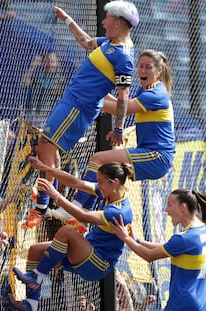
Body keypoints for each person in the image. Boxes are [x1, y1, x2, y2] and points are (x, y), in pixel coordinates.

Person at [25, 1, 139, 228]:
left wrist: (118, 128)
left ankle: (43, 206)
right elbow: (86, 42)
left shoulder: (123, 56)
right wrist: (67, 18)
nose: (103, 22)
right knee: (50, 148)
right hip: (72, 101)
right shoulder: (110, 42)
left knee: (45, 146)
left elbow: (123, 96)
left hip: (78, 107)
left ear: (117, 23)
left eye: (106, 18)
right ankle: (50, 202)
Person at [62, 49, 175, 224]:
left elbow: (119, 109)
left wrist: (88, 97)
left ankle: (78, 209)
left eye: (148, 67)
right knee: (104, 168)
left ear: (159, 70)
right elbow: (119, 104)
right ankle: (83, 213)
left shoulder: (156, 94)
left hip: (157, 157)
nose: (142, 71)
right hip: (149, 152)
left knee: (98, 159)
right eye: (140, 66)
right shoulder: (146, 90)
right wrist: (97, 87)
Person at [4, 161, 134, 311]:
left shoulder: (118, 211)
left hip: (98, 263)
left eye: (100, 182)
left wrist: (56, 196)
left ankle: (36, 277)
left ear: (114, 182)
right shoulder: (111, 191)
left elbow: (82, 215)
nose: (98, 185)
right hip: (89, 250)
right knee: (35, 250)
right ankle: (30, 304)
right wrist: (47, 168)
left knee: (67, 232)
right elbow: (76, 183)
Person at [111, 189, 206, 311]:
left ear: (182, 207)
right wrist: (136, 241)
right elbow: (165, 247)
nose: (166, 210)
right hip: (203, 303)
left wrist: (124, 237)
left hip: (183, 305)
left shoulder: (184, 238)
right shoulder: (203, 230)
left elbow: (149, 256)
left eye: (169, 205)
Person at [21, 52, 66, 128]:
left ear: (56, 64)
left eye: (52, 62)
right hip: (31, 114)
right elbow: (24, 82)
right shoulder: (38, 75)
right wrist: (33, 66)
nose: (49, 64)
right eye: (47, 61)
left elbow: (57, 93)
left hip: (45, 117)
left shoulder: (60, 80)